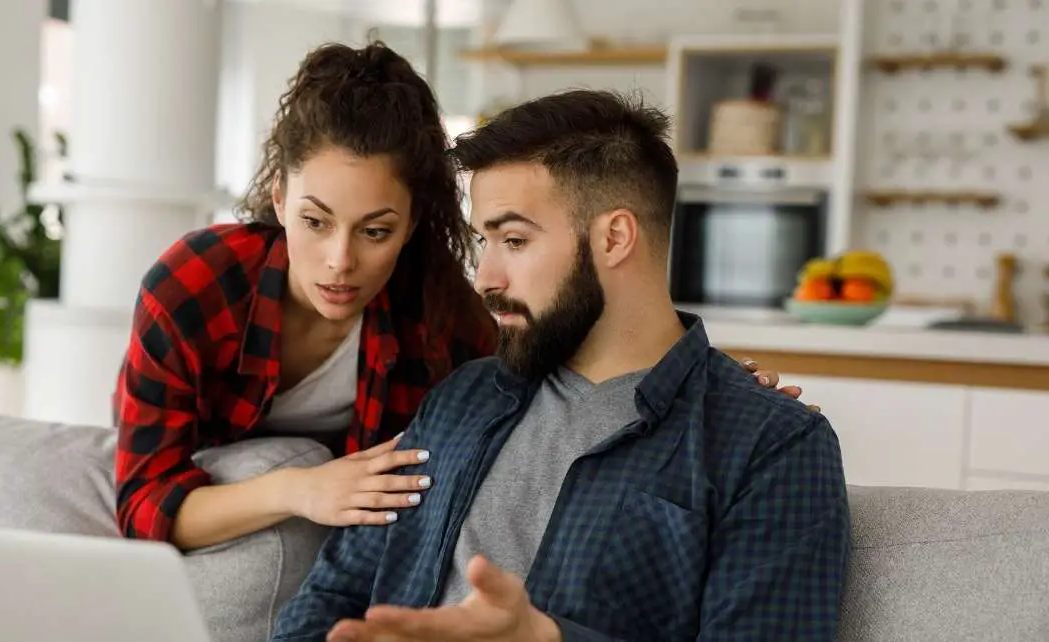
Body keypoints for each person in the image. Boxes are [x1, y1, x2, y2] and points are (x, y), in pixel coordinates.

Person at [236, 89, 852, 642]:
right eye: (482, 240)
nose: (487, 275)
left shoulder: (769, 444)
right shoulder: (464, 399)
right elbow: (339, 591)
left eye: (513, 239)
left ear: (614, 237)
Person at [113, 41, 805, 550]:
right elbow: (144, 500)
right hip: (205, 487)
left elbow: (565, 360)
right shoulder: (196, 284)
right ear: (279, 197)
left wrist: (707, 387)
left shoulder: (439, 309)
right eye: (314, 221)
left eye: (376, 231)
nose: (340, 261)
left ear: (413, 224)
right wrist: (300, 488)